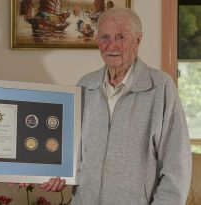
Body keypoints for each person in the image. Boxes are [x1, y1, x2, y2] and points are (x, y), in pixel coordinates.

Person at [45, 8, 192, 205]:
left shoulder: (160, 87)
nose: (111, 45)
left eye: (120, 37)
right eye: (104, 37)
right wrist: (53, 173)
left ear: (137, 41)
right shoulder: (85, 86)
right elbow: (70, 154)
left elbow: (177, 168)